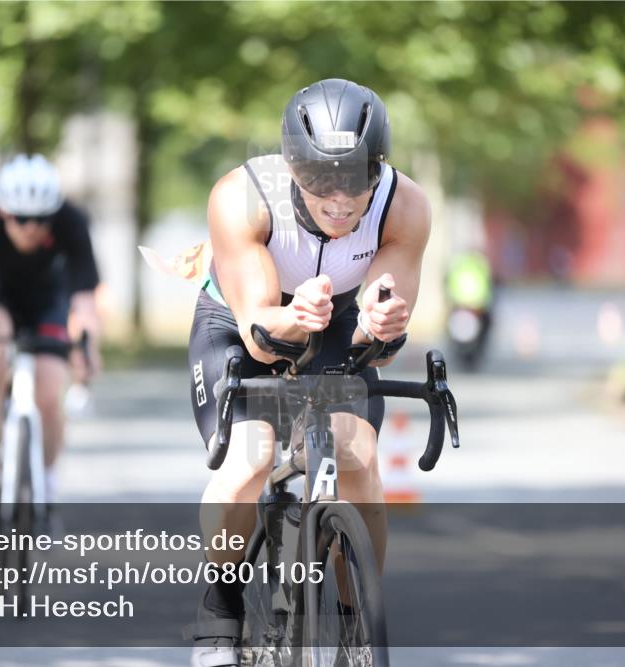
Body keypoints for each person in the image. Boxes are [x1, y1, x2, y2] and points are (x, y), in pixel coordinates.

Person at [186, 79, 431, 666]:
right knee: (251, 456)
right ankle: (220, 608)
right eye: (321, 180)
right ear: (293, 169)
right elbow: (260, 336)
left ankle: (355, 615)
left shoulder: (406, 205)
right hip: (246, 320)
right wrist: (294, 320)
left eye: (356, 178)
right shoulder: (242, 197)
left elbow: (383, 334)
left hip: (336, 317)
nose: (341, 198)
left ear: (379, 167)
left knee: (359, 455)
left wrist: (381, 323)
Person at [0, 154, 101, 508]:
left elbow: (85, 301)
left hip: (47, 299)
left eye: (41, 219)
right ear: (3, 212)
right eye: (21, 219)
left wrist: (88, 350)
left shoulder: (72, 221)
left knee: (49, 389)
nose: (32, 227)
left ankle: (46, 484)